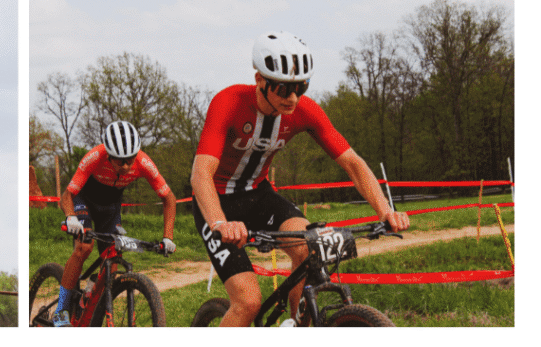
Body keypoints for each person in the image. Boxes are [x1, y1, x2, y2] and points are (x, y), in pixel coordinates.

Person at [190, 32, 410, 327]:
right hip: (218, 203)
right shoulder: (229, 102)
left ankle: (297, 326)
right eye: (283, 89)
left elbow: (352, 162)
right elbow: (200, 173)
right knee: (248, 302)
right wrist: (219, 222)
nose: (293, 98)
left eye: (300, 87)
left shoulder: (304, 111)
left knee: (310, 249)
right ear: (259, 79)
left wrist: (385, 211)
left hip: (259, 195)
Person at [51, 121, 177, 327]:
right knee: (84, 246)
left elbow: (169, 198)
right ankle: (61, 310)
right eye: (120, 161)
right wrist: (71, 217)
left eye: (130, 160)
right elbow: (67, 195)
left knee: (112, 258)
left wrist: (168, 237)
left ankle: (88, 299)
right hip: (84, 201)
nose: (126, 166)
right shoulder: (94, 156)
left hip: (110, 208)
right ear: (108, 155)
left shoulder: (144, 162)